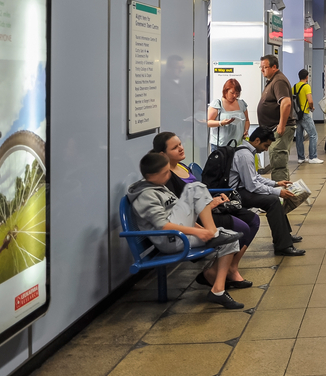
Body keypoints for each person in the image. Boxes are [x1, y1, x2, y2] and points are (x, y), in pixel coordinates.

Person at [127, 152, 245, 309]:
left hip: (178, 234)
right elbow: (164, 225)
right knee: (197, 188)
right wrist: (198, 232)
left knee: (230, 237)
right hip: (170, 240)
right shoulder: (146, 196)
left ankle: (218, 290)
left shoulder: (157, 185)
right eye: (165, 172)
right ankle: (214, 235)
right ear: (152, 175)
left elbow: (178, 214)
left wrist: (203, 230)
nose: (169, 175)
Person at [153, 131, 258, 289]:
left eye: (180, 144)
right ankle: (213, 272)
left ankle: (231, 267)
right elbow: (177, 209)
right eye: (175, 148)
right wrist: (208, 204)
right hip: (196, 218)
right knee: (242, 228)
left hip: (208, 209)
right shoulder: (166, 176)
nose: (181, 149)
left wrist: (215, 198)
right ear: (163, 154)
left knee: (254, 220)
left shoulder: (181, 166)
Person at [229, 126, 305, 257]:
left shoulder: (246, 151)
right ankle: (283, 245)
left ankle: (284, 236)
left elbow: (255, 177)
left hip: (241, 189)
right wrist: (277, 192)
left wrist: (276, 184)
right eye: (266, 145)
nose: (266, 149)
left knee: (274, 197)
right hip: (235, 194)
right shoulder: (245, 155)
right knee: (273, 201)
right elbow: (252, 185)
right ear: (257, 140)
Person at [257, 55, 296, 181]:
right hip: (273, 129)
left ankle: (282, 198)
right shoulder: (273, 81)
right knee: (278, 162)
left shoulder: (278, 81)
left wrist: (281, 125)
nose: (262, 70)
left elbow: (286, 103)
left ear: (274, 67)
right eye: (261, 67)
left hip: (279, 129)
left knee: (278, 163)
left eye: (265, 67)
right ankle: (285, 196)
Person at [207, 78, 249, 151]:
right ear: (225, 91)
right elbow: (208, 122)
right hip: (220, 145)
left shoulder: (242, 104)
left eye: (237, 93)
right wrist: (221, 123)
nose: (235, 96)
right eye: (232, 93)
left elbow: (247, 120)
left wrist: (246, 130)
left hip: (238, 144)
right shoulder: (217, 104)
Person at [293, 69, 323, 165]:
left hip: (297, 114)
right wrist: (311, 107)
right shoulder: (306, 87)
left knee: (299, 136)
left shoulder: (294, 87)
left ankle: (301, 157)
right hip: (305, 113)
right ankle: (313, 157)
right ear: (307, 77)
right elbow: (310, 100)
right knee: (313, 134)